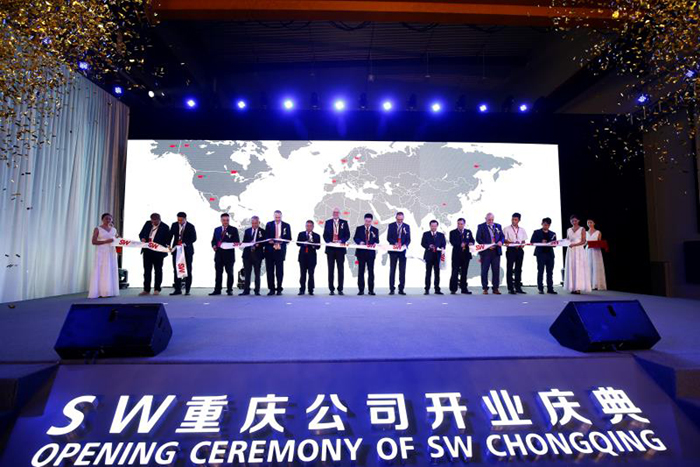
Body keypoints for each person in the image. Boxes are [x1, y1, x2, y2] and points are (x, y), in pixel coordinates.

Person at [88, 213, 120, 298]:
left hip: (111, 251)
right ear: (102, 219)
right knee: (101, 269)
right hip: (102, 251)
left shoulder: (114, 229)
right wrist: (106, 241)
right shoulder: (97, 229)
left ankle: (109, 291)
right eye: (106, 218)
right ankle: (99, 291)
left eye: (110, 219)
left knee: (110, 269)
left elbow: (117, 239)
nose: (108, 220)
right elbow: (93, 242)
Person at [138, 213, 169, 296]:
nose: (154, 222)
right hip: (147, 250)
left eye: (155, 221)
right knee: (147, 271)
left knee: (158, 270)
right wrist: (142, 238)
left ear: (159, 219)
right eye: (152, 220)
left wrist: (159, 246)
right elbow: (141, 234)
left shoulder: (165, 227)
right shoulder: (147, 223)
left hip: (158, 252)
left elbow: (167, 240)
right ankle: (146, 289)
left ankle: (157, 289)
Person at [210, 213, 240, 296]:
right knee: (218, 273)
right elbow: (213, 240)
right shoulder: (217, 229)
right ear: (221, 220)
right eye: (224, 220)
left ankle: (229, 290)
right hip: (219, 254)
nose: (226, 222)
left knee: (229, 273)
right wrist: (214, 245)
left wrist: (227, 243)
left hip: (229, 255)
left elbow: (237, 241)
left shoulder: (233, 229)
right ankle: (217, 290)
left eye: (227, 220)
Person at [323, 207, 351, 295]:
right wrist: (329, 242)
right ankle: (331, 289)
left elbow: (347, 235)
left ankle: (340, 289)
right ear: (332, 213)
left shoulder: (344, 222)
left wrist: (341, 241)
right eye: (334, 212)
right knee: (330, 269)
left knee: (340, 269)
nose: (335, 214)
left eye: (337, 212)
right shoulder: (328, 222)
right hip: (330, 249)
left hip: (340, 250)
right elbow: (325, 235)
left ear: (339, 214)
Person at [476, 213, 505, 295]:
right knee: (484, 270)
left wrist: (501, 241)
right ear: (485, 219)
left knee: (496, 270)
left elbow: (502, 236)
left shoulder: (498, 226)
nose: (491, 221)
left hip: (496, 251)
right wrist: (487, 246)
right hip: (486, 252)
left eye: (492, 219)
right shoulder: (481, 226)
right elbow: (478, 238)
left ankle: (495, 288)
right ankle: (485, 288)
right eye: (489, 220)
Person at [265, 210, 292, 295]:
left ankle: (279, 288)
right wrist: (271, 242)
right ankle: (271, 289)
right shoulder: (269, 224)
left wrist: (282, 242)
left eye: (279, 217)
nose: (277, 219)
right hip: (270, 251)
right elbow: (266, 237)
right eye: (276, 217)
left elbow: (289, 238)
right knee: (270, 270)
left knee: (279, 271)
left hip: (280, 251)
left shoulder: (286, 225)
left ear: (281, 217)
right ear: (273, 217)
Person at [169, 212, 197, 296]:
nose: (180, 221)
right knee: (176, 269)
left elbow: (194, 238)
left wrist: (185, 243)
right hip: (176, 250)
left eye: (181, 220)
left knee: (188, 269)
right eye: (178, 220)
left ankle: (187, 290)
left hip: (187, 250)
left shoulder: (190, 226)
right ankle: (177, 289)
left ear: (185, 219)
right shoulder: (174, 225)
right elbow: (170, 235)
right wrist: (168, 245)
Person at [564, 214, 591, 294]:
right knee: (571, 267)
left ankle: (578, 287)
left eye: (575, 220)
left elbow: (583, 241)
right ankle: (572, 287)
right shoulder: (569, 229)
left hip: (579, 250)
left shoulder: (582, 229)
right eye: (572, 221)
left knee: (579, 268)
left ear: (578, 221)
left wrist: (574, 245)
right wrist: (562, 242)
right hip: (570, 250)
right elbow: (567, 239)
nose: (574, 222)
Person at [353, 213, 379, 295]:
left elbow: (377, 240)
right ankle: (361, 290)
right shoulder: (359, 228)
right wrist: (359, 242)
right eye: (366, 221)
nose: (368, 223)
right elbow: (355, 238)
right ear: (364, 220)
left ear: (372, 221)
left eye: (369, 221)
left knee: (371, 271)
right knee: (361, 271)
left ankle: (371, 290)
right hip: (361, 253)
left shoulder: (375, 230)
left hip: (371, 254)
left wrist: (375, 243)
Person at [530, 217, 558, 294]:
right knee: (540, 271)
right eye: (544, 224)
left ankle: (550, 288)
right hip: (540, 254)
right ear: (542, 224)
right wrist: (541, 241)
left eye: (547, 225)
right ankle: (540, 288)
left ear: (549, 225)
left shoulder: (553, 233)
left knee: (550, 272)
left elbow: (555, 244)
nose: (546, 226)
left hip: (550, 254)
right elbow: (532, 241)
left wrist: (552, 243)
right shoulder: (536, 232)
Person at [240, 216, 265, 296]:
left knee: (257, 273)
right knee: (247, 273)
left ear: (259, 223)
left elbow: (265, 243)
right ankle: (246, 290)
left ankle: (257, 290)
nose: (254, 225)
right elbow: (244, 242)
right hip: (247, 255)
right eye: (253, 223)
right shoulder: (247, 231)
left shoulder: (263, 231)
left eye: (256, 223)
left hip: (257, 255)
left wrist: (258, 244)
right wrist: (248, 243)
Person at [503, 212, 528, 294]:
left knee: (518, 268)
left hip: (519, 250)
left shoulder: (522, 230)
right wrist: (514, 243)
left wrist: (522, 244)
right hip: (511, 250)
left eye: (515, 219)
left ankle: (518, 287)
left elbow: (524, 240)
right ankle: (510, 288)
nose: (513, 221)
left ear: (519, 220)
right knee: (510, 268)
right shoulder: (506, 229)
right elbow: (504, 240)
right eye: (513, 219)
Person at [387, 212, 411, 295]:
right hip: (393, 251)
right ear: (396, 218)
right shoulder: (391, 225)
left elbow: (408, 239)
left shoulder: (407, 226)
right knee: (392, 270)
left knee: (402, 270)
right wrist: (395, 243)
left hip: (402, 252)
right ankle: (392, 289)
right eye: (398, 219)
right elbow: (388, 238)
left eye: (401, 219)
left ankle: (401, 289)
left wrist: (405, 245)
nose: (400, 221)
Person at [449, 217, 474, 295]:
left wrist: (470, 243)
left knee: (464, 272)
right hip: (456, 255)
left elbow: (472, 240)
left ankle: (464, 288)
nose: (460, 225)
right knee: (455, 271)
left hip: (466, 255)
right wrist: (460, 244)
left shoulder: (468, 232)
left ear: (464, 224)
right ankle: (453, 289)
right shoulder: (452, 232)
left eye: (461, 224)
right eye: (458, 224)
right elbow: (452, 242)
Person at [421, 220, 446, 295]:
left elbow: (443, 244)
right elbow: (423, 243)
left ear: (437, 226)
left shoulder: (441, 235)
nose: (433, 227)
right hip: (429, 256)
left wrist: (442, 248)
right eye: (432, 226)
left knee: (437, 273)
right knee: (428, 273)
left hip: (437, 256)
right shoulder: (426, 234)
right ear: (430, 226)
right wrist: (429, 246)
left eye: (435, 226)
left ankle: (437, 289)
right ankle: (427, 289)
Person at [297, 220, 321, 295]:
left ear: (313, 227)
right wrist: (304, 243)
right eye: (307, 226)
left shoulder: (316, 235)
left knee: (311, 273)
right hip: (302, 256)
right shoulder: (301, 234)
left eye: (310, 226)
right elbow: (297, 243)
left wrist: (313, 244)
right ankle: (302, 289)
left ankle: (311, 290)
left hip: (312, 257)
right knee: (302, 273)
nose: (309, 227)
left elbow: (318, 247)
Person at [586, 219, 607, 291]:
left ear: (594, 223)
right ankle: (588, 283)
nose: (589, 224)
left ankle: (596, 284)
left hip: (596, 250)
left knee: (596, 266)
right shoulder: (585, 232)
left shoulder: (598, 232)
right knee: (588, 265)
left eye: (591, 222)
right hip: (588, 250)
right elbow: (584, 242)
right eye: (588, 222)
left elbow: (599, 242)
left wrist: (597, 244)